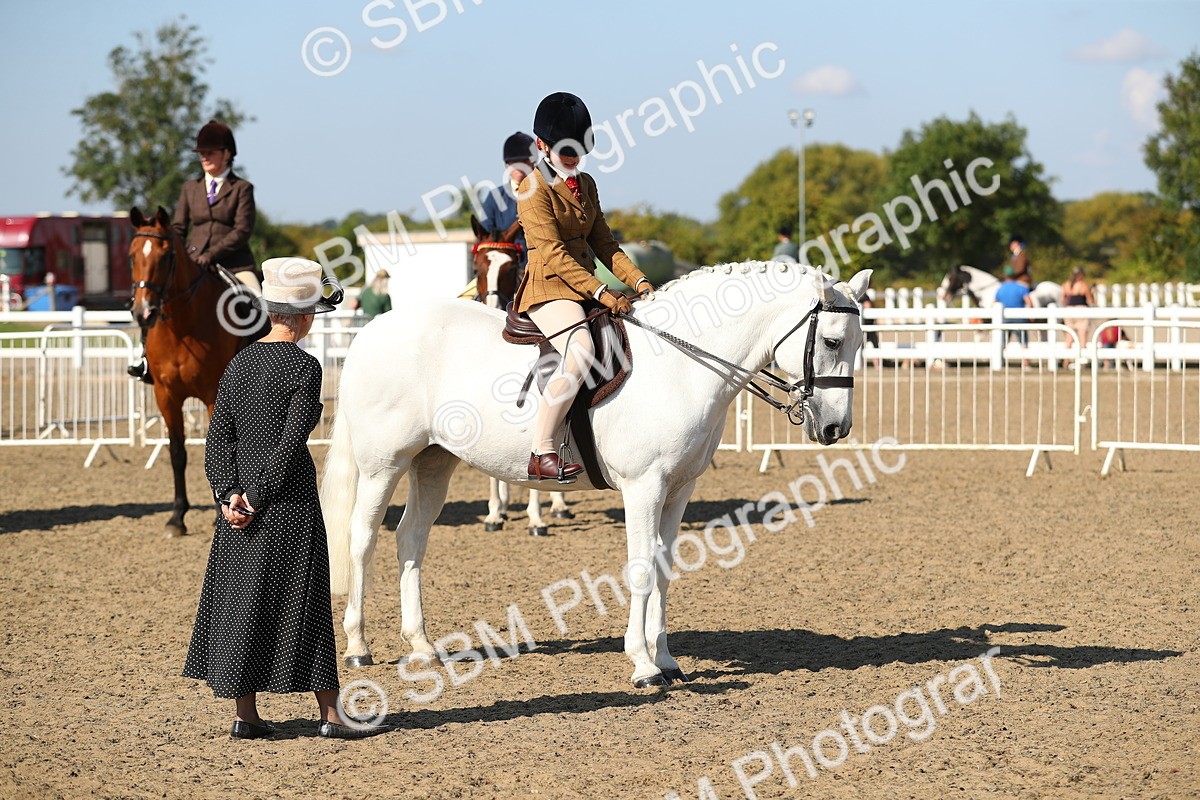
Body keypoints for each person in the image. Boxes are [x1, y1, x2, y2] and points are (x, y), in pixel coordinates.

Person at [183, 257, 384, 741]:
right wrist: (255, 497)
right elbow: (291, 443)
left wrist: (228, 495)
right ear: (307, 316)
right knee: (306, 605)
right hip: (287, 504)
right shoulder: (305, 367)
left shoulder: (239, 362)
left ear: (273, 312)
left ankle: (245, 716)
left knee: (239, 602)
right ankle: (331, 717)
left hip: (235, 510)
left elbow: (218, 439)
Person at [514, 92, 653, 482]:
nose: (574, 157)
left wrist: (639, 280)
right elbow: (554, 254)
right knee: (581, 349)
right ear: (542, 145)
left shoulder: (587, 184)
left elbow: (605, 243)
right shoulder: (531, 188)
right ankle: (541, 450)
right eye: (565, 149)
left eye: (578, 149)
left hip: (584, 286)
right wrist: (602, 292)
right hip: (549, 288)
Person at [479, 131, 535, 269]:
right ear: (506, 164)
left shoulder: (547, 193)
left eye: (523, 162)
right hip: (503, 273)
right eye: (513, 163)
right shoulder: (494, 197)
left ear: (532, 162)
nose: (519, 168)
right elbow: (485, 237)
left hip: (540, 270)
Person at [995, 265, 1033, 357]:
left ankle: (1000, 361)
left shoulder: (1000, 289)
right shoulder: (1021, 288)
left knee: (1002, 341)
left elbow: (994, 303)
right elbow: (1029, 303)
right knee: (1023, 341)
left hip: (1004, 319)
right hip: (1020, 318)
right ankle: (1025, 362)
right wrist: (1031, 316)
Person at [1061, 266, 1095, 358]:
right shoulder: (1083, 285)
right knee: (1082, 337)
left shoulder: (1065, 285)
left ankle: (1066, 360)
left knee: (1069, 337)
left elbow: (1062, 300)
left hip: (1068, 311)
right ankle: (1082, 359)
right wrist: (1092, 293)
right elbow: (1091, 300)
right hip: (1081, 310)